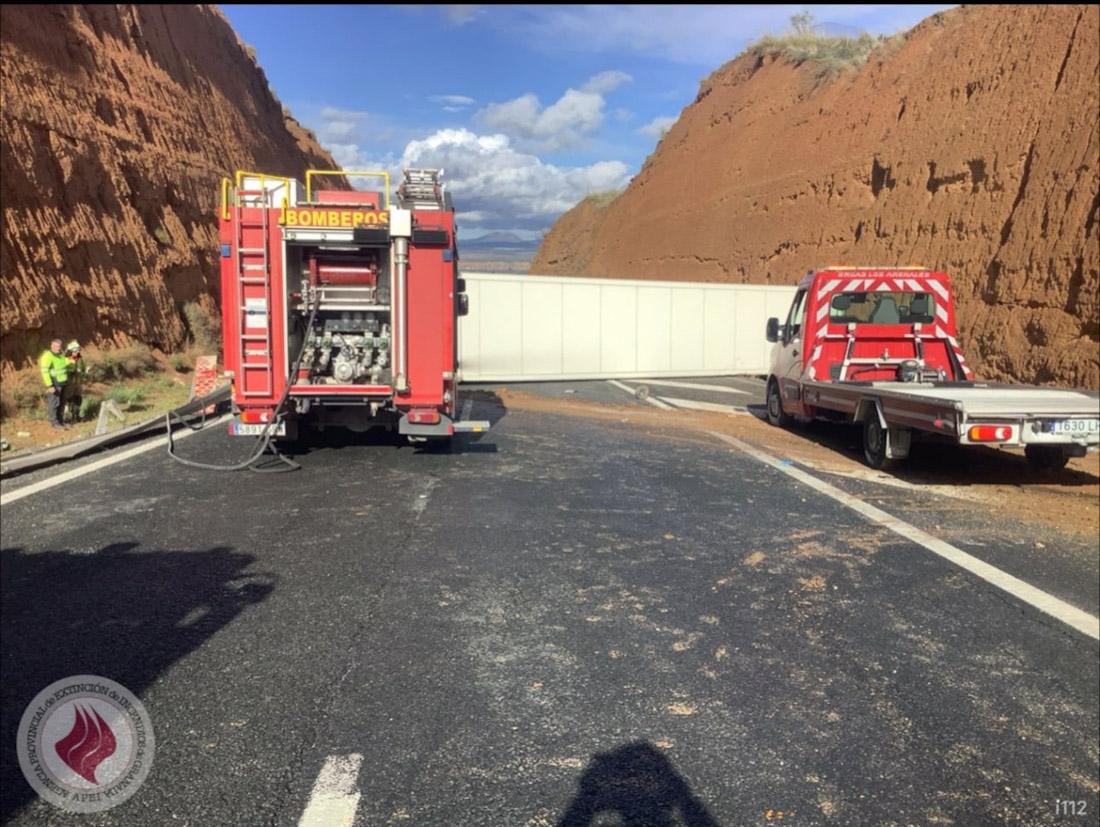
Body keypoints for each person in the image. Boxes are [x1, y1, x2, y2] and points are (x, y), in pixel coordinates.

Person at [39, 338, 69, 428]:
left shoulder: (61, 355)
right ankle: (54, 422)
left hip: (63, 383)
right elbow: (44, 371)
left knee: (62, 403)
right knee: (54, 404)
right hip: (54, 384)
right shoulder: (47, 356)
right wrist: (50, 385)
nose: (58, 348)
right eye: (56, 346)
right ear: (51, 346)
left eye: (59, 346)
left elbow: (66, 365)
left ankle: (61, 421)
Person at [64, 340, 87, 422]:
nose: (77, 352)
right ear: (70, 351)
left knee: (78, 399)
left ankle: (76, 415)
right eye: (75, 351)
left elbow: (83, 368)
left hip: (77, 383)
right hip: (69, 384)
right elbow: (69, 369)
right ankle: (66, 417)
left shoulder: (79, 359)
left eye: (78, 351)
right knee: (68, 400)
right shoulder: (66, 360)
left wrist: (84, 371)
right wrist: (76, 369)